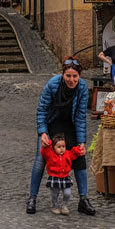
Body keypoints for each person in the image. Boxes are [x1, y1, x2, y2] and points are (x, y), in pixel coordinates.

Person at [27, 58, 94, 215]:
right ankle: (32, 198)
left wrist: (81, 141)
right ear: (63, 75)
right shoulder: (52, 85)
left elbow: (80, 116)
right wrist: (43, 132)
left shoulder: (82, 88)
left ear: (79, 76)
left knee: (79, 157)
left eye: (75, 76)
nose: (71, 80)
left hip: (69, 124)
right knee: (40, 158)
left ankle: (83, 200)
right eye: (68, 76)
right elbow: (42, 110)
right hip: (52, 124)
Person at [40, 134, 86, 214]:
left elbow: (73, 152)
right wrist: (48, 143)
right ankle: (54, 206)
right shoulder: (50, 155)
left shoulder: (67, 154)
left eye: (63, 146)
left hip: (65, 177)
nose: (62, 149)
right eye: (59, 147)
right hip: (54, 178)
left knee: (67, 193)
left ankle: (65, 206)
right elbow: (44, 151)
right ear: (53, 147)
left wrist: (79, 149)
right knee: (54, 194)